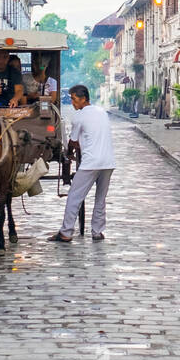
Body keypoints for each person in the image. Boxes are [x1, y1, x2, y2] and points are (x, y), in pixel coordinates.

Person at [48, 84, 114, 242]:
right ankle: (97, 231)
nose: (72, 102)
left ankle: (66, 232)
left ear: (83, 99)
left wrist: (69, 153)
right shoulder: (102, 112)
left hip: (91, 162)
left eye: (74, 99)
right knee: (100, 199)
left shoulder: (79, 116)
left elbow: (73, 141)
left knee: (74, 197)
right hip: (108, 161)